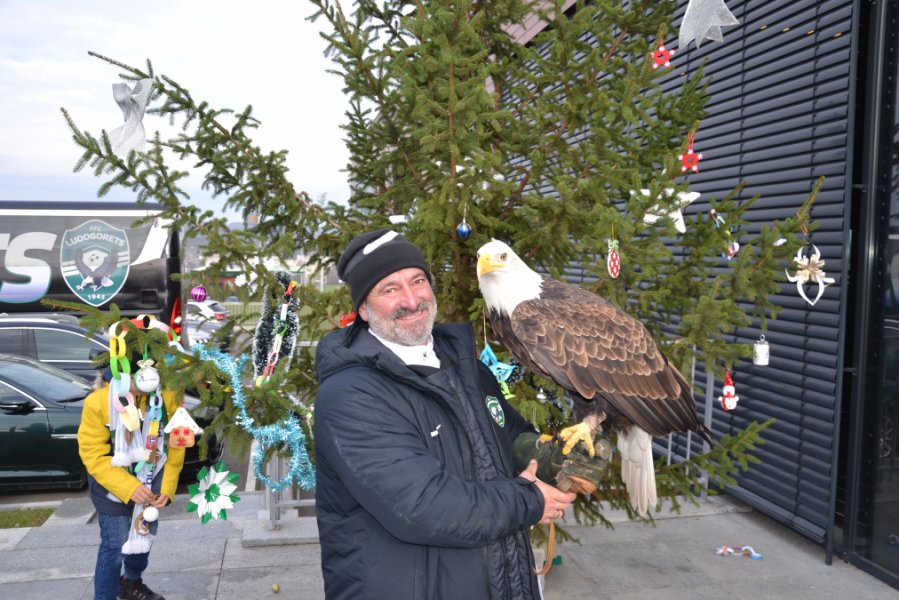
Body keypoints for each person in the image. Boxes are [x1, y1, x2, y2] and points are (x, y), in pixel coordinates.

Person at [313, 229, 577, 599]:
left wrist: (548, 455)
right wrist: (532, 501)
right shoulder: (350, 396)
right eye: (389, 289)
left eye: (418, 281)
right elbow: (423, 507)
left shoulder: (464, 366)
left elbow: (509, 433)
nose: (411, 299)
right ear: (362, 310)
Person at [78, 357, 185, 600]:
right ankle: (104, 596)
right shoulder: (98, 402)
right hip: (111, 487)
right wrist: (128, 486)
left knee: (144, 536)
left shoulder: (166, 397)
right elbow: (93, 454)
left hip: (152, 483)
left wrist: (167, 488)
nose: (144, 385)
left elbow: (176, 446)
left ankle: (131, 583)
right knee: (114, 544)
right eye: (138, 379)